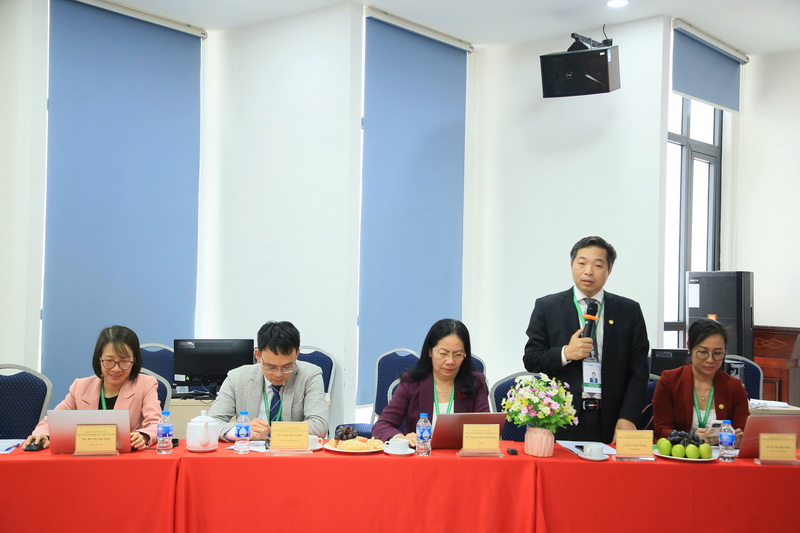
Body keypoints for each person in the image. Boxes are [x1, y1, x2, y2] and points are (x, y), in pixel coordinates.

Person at [523, 236, 649, 444]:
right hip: (562, 417)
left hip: (613, 417)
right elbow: (531, 359)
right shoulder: (548, 307)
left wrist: (628, 417)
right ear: (572, 265)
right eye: (582, 263)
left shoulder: (629, 310)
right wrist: (566, 353)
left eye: (598, 265)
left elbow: (639, 370)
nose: (588, 271)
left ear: (609, 270)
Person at [24, 325, 161, 450]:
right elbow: (52, 421)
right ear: (99, 360)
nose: (116, 368)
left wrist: (144, 435)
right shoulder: (80, 387)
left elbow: (157, 424)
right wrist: (43, 434)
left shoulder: (145, 384)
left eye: (124, 361)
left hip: (126, 460)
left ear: (134, 360)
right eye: (109, 361)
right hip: (86, 458)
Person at [372, 318, 490, 445]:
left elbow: (487, 429)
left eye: (458, 354)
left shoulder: (476, 384)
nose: (450, 361)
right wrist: (400, 438)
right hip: (421, 455)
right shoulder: (411, 383)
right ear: (430, 351)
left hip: (461, 455)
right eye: (443, 353)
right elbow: (382, 425)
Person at [207, 320, 328, 440]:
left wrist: (272, 432)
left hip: (292, 450)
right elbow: (211, 423)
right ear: (258, 355)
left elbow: (319, 426)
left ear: (297, 354)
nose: (278, 374)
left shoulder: (310, 374)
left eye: (287, 367)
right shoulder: (237, 377)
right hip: (250, 450)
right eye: (271, 367)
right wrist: (244, 431)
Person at [653, 318, 749, 445]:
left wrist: (739, 439)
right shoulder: (670, 381)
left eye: (718, 353)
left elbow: (742, 431)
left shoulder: (734, 387)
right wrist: (690, 439)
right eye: (703, 352)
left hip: (721, 454)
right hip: (680, 454)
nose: (710, 360)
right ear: (689, 347)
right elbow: (661, 431)